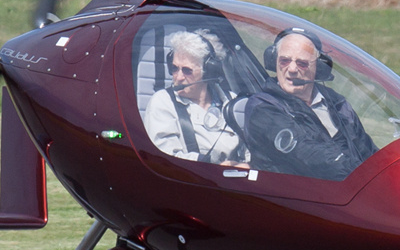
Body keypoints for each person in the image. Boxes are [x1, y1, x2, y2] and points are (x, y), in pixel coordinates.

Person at [244, 28, 377, 180]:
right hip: (296, 196)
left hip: (347, 191)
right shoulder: (262, 108)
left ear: (318, 68)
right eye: (284, 61)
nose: (292, 69)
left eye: (302, 63)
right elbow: (311, 156)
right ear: (274, 62)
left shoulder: (337, 104)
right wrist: (361, 178)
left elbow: (368, 151)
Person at [143, 30, 248, 165]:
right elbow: (165, 157)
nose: (178, 77)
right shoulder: (162, 102)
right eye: (174, 68)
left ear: (209, 71)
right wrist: (212, 164)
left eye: (187, 70)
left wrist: (248, 165)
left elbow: (250, 149)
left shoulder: (232, 103)